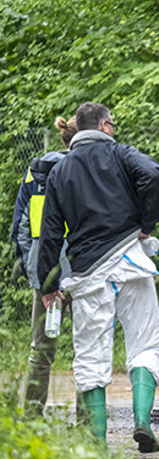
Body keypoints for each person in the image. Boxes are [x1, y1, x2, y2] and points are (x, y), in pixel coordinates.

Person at [37, 102, 159, 453]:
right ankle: (142, 421)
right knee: (145, 343)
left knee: (91, 356)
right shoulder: (122, 154)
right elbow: (154, 176)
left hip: (89, 271)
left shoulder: (59, 172)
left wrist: (48, 286)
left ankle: (96, 445)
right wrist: (145, 224)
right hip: (131, 262)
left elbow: (49, 232)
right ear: (106, 126)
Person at [10, 116, 77, 417]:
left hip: (46, 271)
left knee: (41, 349)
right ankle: (88, 422)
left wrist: (34, 269)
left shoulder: (34, 173)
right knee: (87, 347)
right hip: (85, 268)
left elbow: (20, 227)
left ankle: (32, 418)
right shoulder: (88, 170)